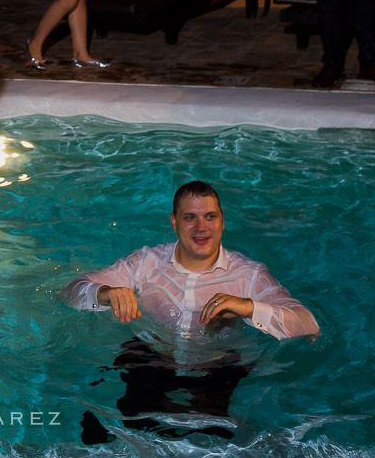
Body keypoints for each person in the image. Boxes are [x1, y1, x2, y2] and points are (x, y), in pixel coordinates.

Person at [62, 181, 319, 442]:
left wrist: (248, 307)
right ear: (174, 222)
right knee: (99, 431)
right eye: (190, 218)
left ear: (222, 221)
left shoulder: (249, 275)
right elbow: (70, 291)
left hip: (218, 367)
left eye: (210, 217)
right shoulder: (145, 263)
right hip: (150, 358)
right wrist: (105, 292)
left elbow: (308, 325)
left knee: (224, 439)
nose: (201, 228)